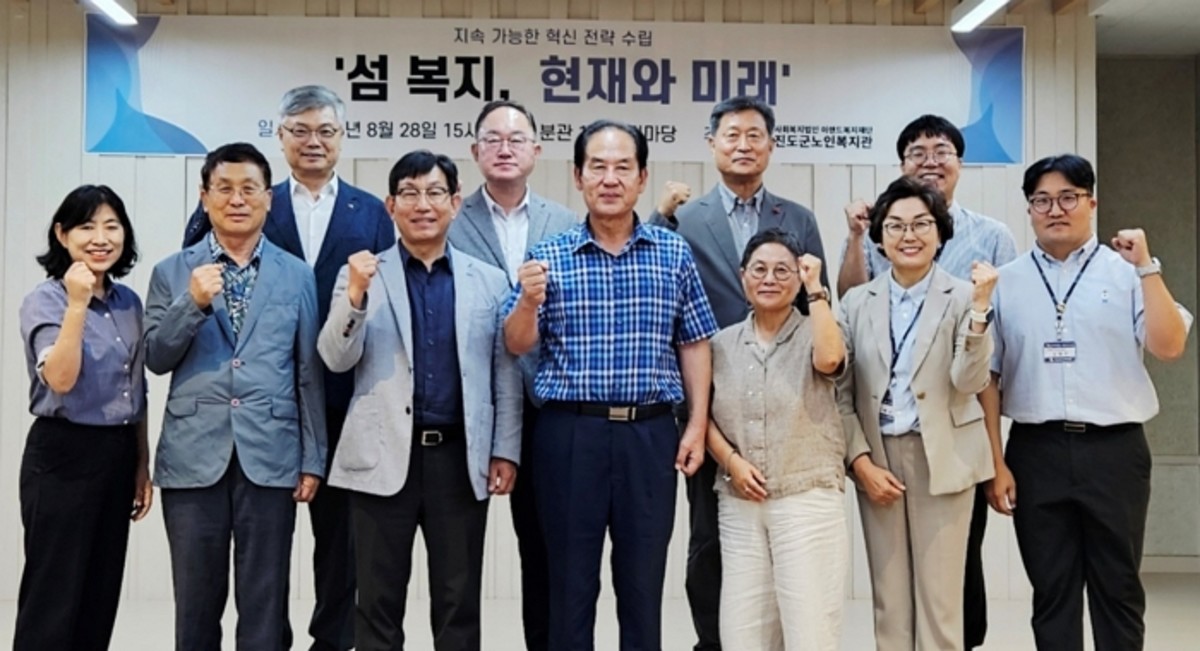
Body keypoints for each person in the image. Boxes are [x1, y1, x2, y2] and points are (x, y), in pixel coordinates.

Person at [182, 86, 393, 651]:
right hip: (261, 404)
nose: (312, 141)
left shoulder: (371, 212)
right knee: (264, 555)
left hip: (344, 402)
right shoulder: (249, 197)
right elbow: (196, 277)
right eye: (299, 130)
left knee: (341, 546)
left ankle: (332, 643)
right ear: (280, 136)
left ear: (343, 137)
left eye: (325, 130)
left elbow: (386, 305)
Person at [504, 119, 718, 650]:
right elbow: (516, 343)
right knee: (568, 586)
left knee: (642, 586)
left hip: (649, 436)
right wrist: (528, 301)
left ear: (642, 178)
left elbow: (694, 342)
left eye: (623, 167)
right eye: (597, 167)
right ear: (577, 176)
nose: (610, 178)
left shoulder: (673, 254)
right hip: (569, 435)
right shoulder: (549, 255)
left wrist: (696, 425)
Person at [983, 154, 1191, 651]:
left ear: (1091, 204)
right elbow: (987, 377)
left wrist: (1147, 266)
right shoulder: (1005, 281)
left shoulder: (1128, 273)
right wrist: (995, 462)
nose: (1055, 209)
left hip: (1114, 451)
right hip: (1035, 451)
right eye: (1042, 200)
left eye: (1068, 198)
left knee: (1117, 588)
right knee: (1052, 592)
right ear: (1029, 209)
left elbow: (1169, 346)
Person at [317, 150, 522, 651]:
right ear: (391, 205)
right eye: (409, 194)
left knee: (458, 604)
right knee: (377, 604)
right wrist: (357, 295)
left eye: (434, 193)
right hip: (382, 456)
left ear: (455, 203)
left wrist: (505, 449)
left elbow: (504, 373)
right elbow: (335, 358)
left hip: (459, 459)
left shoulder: (488, 280)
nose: (422, 205)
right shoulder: (360, 274)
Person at [648, 95, 828, 651]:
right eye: (732, 135)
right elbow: (654, 285)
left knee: (783, 538)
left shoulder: (798, 218)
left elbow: (818, 309)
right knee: (709, 536)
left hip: (786, 402)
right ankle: (713, 642)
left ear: (771, 146)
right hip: (710, 399)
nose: (743, 145)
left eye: (755, 135)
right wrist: (657, 217)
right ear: (712, 144)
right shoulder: (684, 218)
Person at [836, 114, 1017, 648]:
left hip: (945, 456)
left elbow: (969, 378)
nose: (908, 235)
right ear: (879, 237)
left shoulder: (963, 296)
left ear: (940, 234)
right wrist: (860, 461)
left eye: (921, 225)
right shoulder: (858, 302)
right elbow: (841, 393)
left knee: (941, 602)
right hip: (879, 457)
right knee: (890, 601)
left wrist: (980, 314)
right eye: (895, 226)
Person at [145, 142, 327, 651]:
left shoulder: (297, 274)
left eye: (249, 188)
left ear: (269, 198)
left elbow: (306, 371)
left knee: (265, 603)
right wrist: (191, 303)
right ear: (204, 197)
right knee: (196, 605)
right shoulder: (171, 271)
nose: (237, 199)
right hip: (192, 455)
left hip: (271, 453)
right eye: (223, 188)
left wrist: (312, 457)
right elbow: (155, 357)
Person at [446, 99, 577, 651]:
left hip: (546, 405)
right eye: (492, 138)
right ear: (475, 150)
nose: (505, 148)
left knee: (545, 548)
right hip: (466, 404)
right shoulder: (449, 219)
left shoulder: (565, 223)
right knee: (456, 555)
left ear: (536, 151)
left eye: (516, 139)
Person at [15, 185, 152, 650]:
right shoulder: (46, 300)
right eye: (87, 226)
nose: (101, 238)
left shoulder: (129, 303)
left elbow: (136, 389)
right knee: (52, 598)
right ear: (62, 234)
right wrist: (77, 304)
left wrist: (141, 464)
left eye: (112, 226)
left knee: (100, 593)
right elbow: (60, 378)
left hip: (117, 453)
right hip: (62, 454)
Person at [705, 228, 847, 650]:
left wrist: (816, 289)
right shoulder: (721, 344)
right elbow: (702, 417)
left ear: (799, 277)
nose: (769, 279)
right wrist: (731, 462)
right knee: (742, 633)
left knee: (810, 631)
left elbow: (830, 359)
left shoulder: (819, 329)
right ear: (742, 276)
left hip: (807, 498)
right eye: (759, 269)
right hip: (740, 504)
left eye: (783, 270)